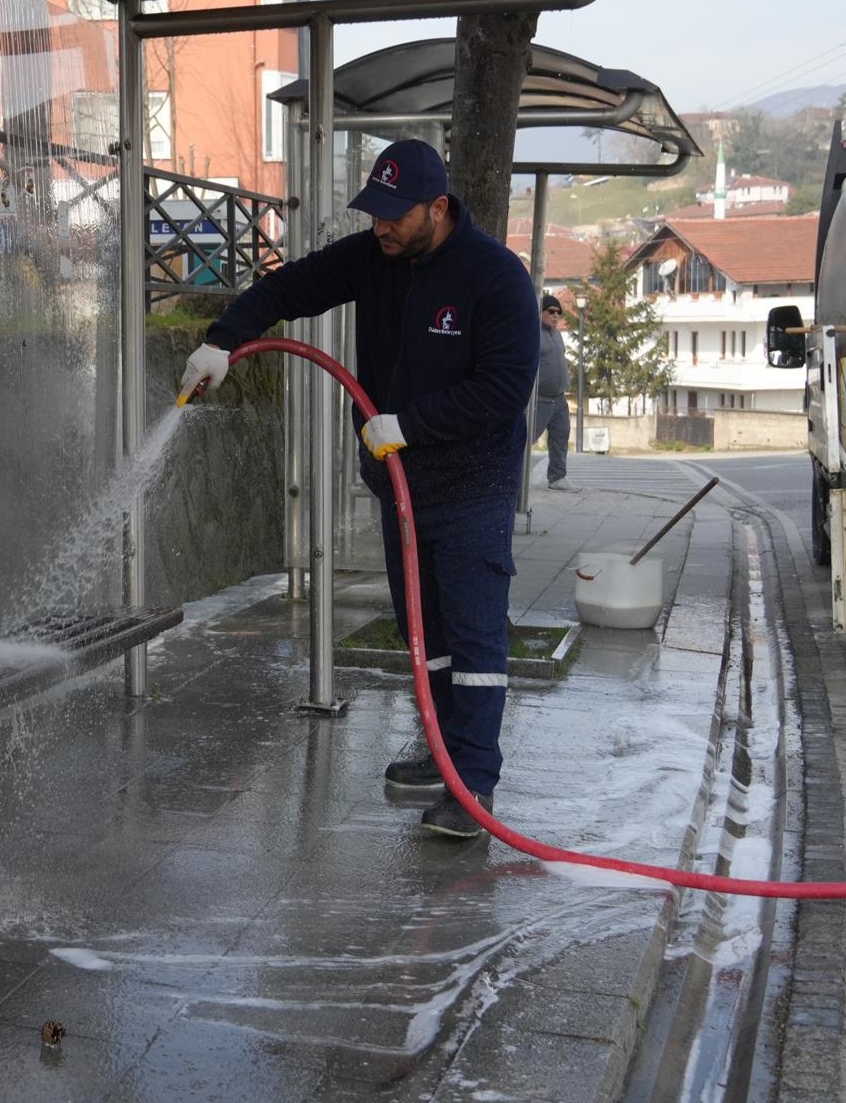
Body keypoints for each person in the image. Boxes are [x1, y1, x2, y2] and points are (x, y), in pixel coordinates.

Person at [177, 139, 539, 840]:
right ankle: (441, 754)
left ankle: (475, 784)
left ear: (438, 207)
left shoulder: (495, 278)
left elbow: (502, 391)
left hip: (472, 482)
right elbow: (288, 289)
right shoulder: (376, 257)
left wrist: (411, 422)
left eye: (395, 216)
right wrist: (223, 340)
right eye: (374, 213)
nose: (380, 227)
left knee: (471, 634)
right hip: (401, 480)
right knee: (421, 631)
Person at [534, 294, 577, 492]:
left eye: (558, 313)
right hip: (538, 400)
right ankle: (516, 479)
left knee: (561, 436)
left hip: (559, 400)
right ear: (540, 312)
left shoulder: (557, 335)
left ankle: (557, 477)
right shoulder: (532, 333)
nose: (556, 316)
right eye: (551, 312)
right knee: (527, 439)